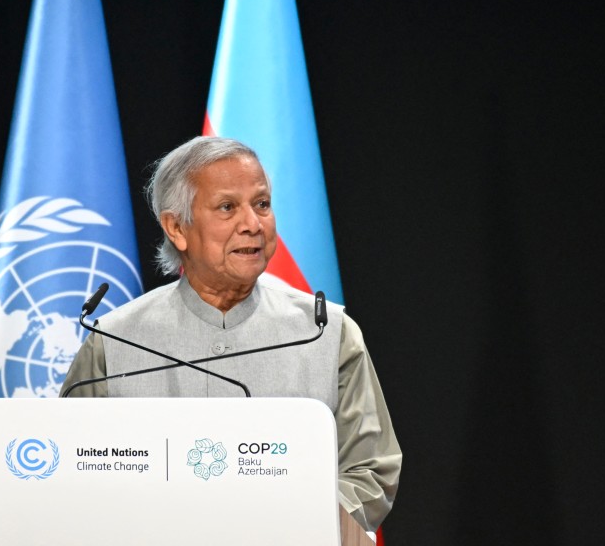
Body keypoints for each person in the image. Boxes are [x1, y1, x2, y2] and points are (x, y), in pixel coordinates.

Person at [61, 136, 401, 533]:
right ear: (177, 227)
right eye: (227, 207)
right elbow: (72, 472)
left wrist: (298, 528)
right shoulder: (114, 341)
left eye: (262, 204)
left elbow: (370, 470)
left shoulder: (326, 332)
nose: (253, 224)